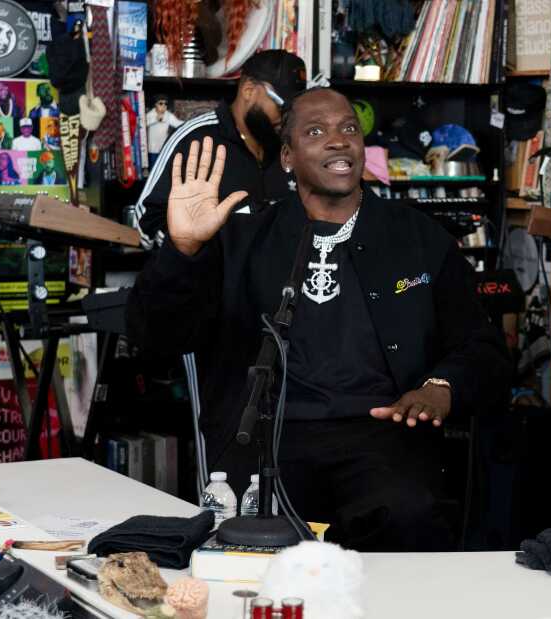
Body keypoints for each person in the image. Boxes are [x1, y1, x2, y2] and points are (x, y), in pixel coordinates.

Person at [126, 88, 510, 551]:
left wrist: (441, 387)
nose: (337, 140)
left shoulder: (418, 238)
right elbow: (155, 338)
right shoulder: (245, 239)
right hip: (267, 440)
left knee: (412, 514)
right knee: (252, 542)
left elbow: (482, 348)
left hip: (382, 437)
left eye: (348, 128)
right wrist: (182, 250)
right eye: (315, 131)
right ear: (287, 157)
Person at [133, 50, 306, 249]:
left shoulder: (291, 147)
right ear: (249, 90)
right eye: (282, 106)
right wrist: (195, 244)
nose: (287, 117)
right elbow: (144, 226)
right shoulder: (196, 138)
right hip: (200, 278)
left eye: (294, 109)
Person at [145, 94, 184, 167]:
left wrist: (189, 123)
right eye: (160, 103)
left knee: (163, 167)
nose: (163, 106)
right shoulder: (150, 115)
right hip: (153, 148)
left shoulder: (168, 115)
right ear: (155, 105)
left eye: (165, 104)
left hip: (164, 147)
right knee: (153, 167)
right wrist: (156, 119)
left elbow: (177, 123)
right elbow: (144, 123)